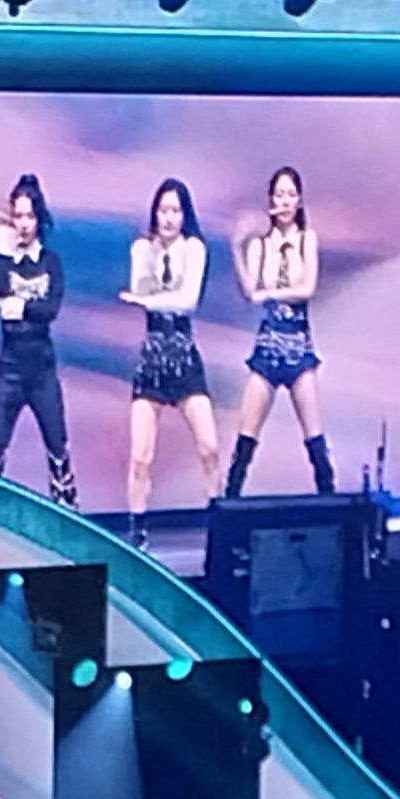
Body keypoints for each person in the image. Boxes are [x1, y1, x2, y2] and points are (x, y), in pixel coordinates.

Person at [119, 178, 219, 548]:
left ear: (185, 215)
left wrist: (148, 298)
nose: (169, 218)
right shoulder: (142, 248)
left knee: (209, 448)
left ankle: (217, 525)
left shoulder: (194, 248)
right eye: (163, 210)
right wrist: (149, 292)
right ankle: (138, 534)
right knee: (140, 458)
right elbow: (139, 287)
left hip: (183, 355)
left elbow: (187, 302)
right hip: (152, 358)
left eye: (176, 211)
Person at [225, 166, 332, 498]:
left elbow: (306, 288)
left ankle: (331, 507)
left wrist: (270, 293)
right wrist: (237, 247)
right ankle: (229, 507)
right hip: (267, 347)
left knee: (315, 441)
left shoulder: (306, 239)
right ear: (270, 199)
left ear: (299, 200)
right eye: (279, 194)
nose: (285, 201)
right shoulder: (261, 245)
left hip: (299, 348)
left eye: (291, 195)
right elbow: (250, 292)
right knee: (245, 441)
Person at [0, 174, 77, 507]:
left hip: (42, 370)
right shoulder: (4, 261)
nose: (23, 224)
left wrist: (16, 306)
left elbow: (50, 310)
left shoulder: (51, 262)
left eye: (29, 216)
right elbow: (1, 283)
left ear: (39, 219)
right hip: (10, 370)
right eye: (17, 216)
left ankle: (67, 517)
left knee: (58, 447)